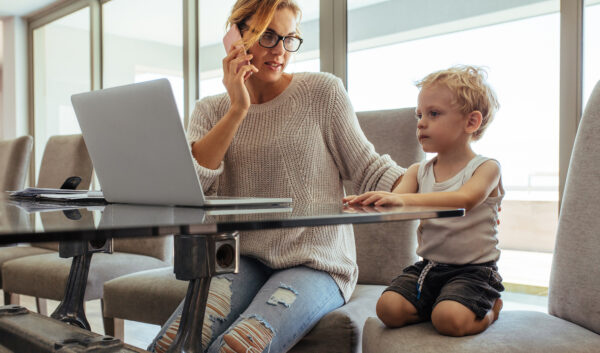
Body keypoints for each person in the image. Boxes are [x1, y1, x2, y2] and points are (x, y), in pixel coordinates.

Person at [148, 1, 405, 352]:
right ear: (235, 38)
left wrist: (450, 186)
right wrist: (238, 108)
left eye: (290, 39)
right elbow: (194, 188)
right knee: (170, 344)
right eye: (268, 36)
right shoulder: (210, 109)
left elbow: (370, 170)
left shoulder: (322, 93)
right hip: (241, 258)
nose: (280, 51)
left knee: (237, 347)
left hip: (317, 263)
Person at [344, 65, 504, 337]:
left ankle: (490, 310)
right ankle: (441, 301)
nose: (420, 122)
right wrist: (368, 201)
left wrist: (403, 200)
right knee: (388, 309)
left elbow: (463, 201)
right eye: (419, 115)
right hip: (429, 266)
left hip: (474, 271)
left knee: (449, 320)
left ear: (471, 122)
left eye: (434, 114)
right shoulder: (418, 171)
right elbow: (398, 202)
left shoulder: (486, 168)